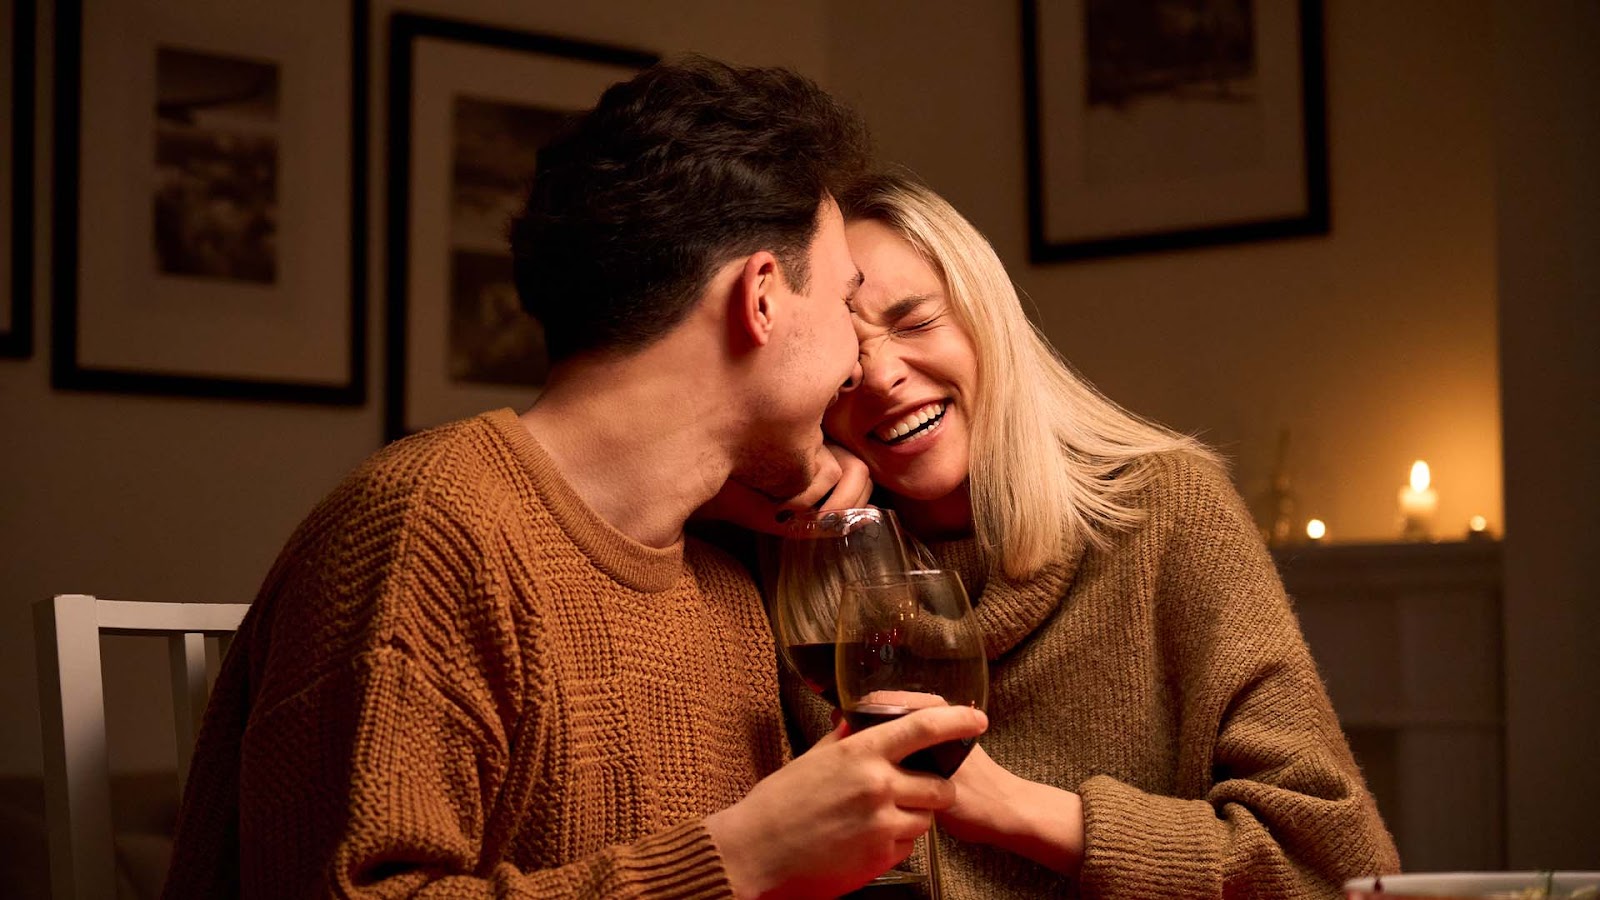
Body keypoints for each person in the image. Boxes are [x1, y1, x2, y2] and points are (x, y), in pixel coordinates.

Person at [161, 60, 987, 899]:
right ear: (763, 300)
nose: (858, 367)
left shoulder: (723, 585)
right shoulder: (429, 530)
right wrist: (739, 858)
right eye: (845, 305)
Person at [771, 170, 1402, 897]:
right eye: (845, 364)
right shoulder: (798, 563)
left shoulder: (1166, 512)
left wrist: (1007, 808)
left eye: (915, 323)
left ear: (988, 320)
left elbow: (1336, 869)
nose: (881, 375)